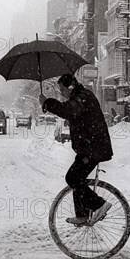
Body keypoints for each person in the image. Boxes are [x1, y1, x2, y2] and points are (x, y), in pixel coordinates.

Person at [40, 74, 113, 226]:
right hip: (90, 147)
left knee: (73, 178)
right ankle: (82, 215)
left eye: (62, 89)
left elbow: (68, 111)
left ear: (70, 86)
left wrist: (47, 102)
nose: (61, 93)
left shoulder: (83, 96)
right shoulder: (80, 96)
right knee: (75, 179)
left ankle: (99, 204)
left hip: (93, 148)